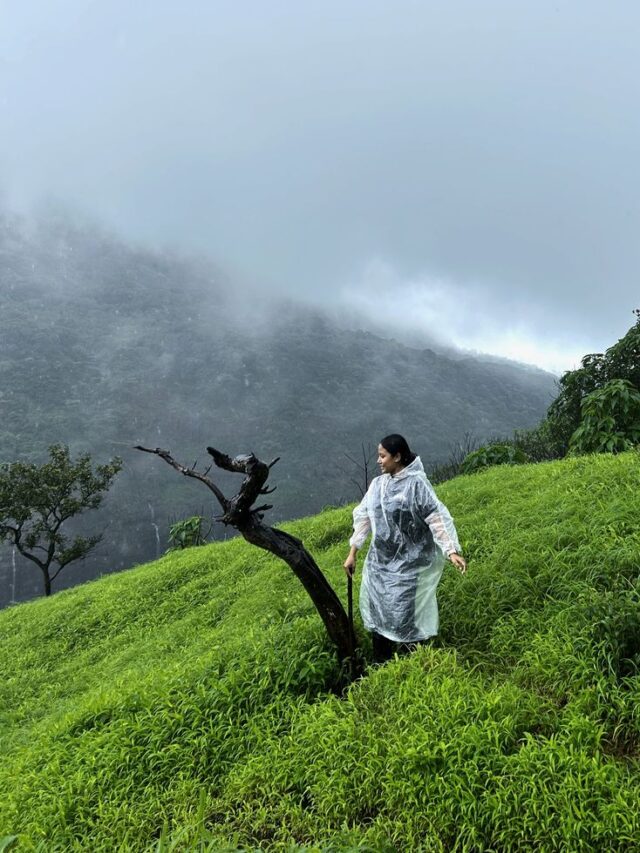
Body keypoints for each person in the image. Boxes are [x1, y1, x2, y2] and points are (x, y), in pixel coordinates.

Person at [343, 434, 466, 663]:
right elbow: (364, 518)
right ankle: (382, 663)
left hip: (410, 565)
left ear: (397, 456)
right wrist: (352, 553)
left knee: (405, 612)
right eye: (378, 456)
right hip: (380, 564)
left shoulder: (416, 484)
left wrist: (451, 551)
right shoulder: (378, 485)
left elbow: (436, 518)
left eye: (383, 456)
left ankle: (413, 661)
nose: (379, 461)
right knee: (380, 612)